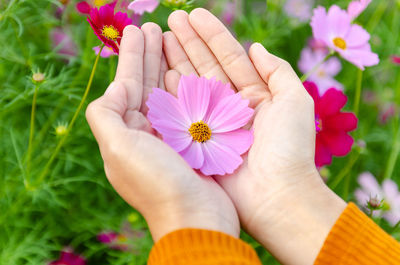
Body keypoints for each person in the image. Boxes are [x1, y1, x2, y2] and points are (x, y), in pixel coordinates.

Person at [85, 8, 400, 265]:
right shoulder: (189, 128)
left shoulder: (219, 139)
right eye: (199, 128)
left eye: (201, 128)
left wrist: (184, 214)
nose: (199, 129)